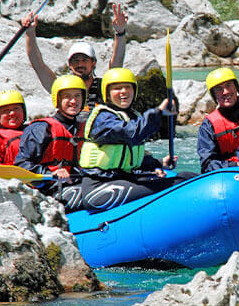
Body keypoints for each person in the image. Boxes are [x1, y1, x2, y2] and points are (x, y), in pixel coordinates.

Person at [77, 68, 196, 210]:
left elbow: (127, 158)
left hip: (121, 179)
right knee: (177, 183)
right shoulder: (103, 119)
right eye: (117, 88)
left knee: (186, 176)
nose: (123, 91)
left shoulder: (132, 116)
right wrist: (158, 112)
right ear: (107, 93)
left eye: (128, 87)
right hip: (99, 188)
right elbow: (132, 133)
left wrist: (158, 164)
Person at [22, 3, 128, 111]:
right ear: (70, 65)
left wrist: (120, 33)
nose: (80, 64)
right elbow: (38, 65)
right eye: (75, 61)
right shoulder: (62, 87)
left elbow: (117, 62)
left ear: (93, 63)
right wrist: (30, 34)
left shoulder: (104, 87)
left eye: (84, 60)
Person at [14, 75, 86, 209]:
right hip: (50, 190)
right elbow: (21, 164)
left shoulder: (84, 127)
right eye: (67, 96)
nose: (73, 101)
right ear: (57, 100)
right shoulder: (41, 129)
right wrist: (49, 173)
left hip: (77, 182)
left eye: (77, 96)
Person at [196, 67, 239, 172]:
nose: (226, 92)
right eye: (219, 89)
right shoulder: (209, 125)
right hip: (231, 174)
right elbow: (207, 164)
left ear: (236, 87)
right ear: (214, 95)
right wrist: (236, 164)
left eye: (229, 85)